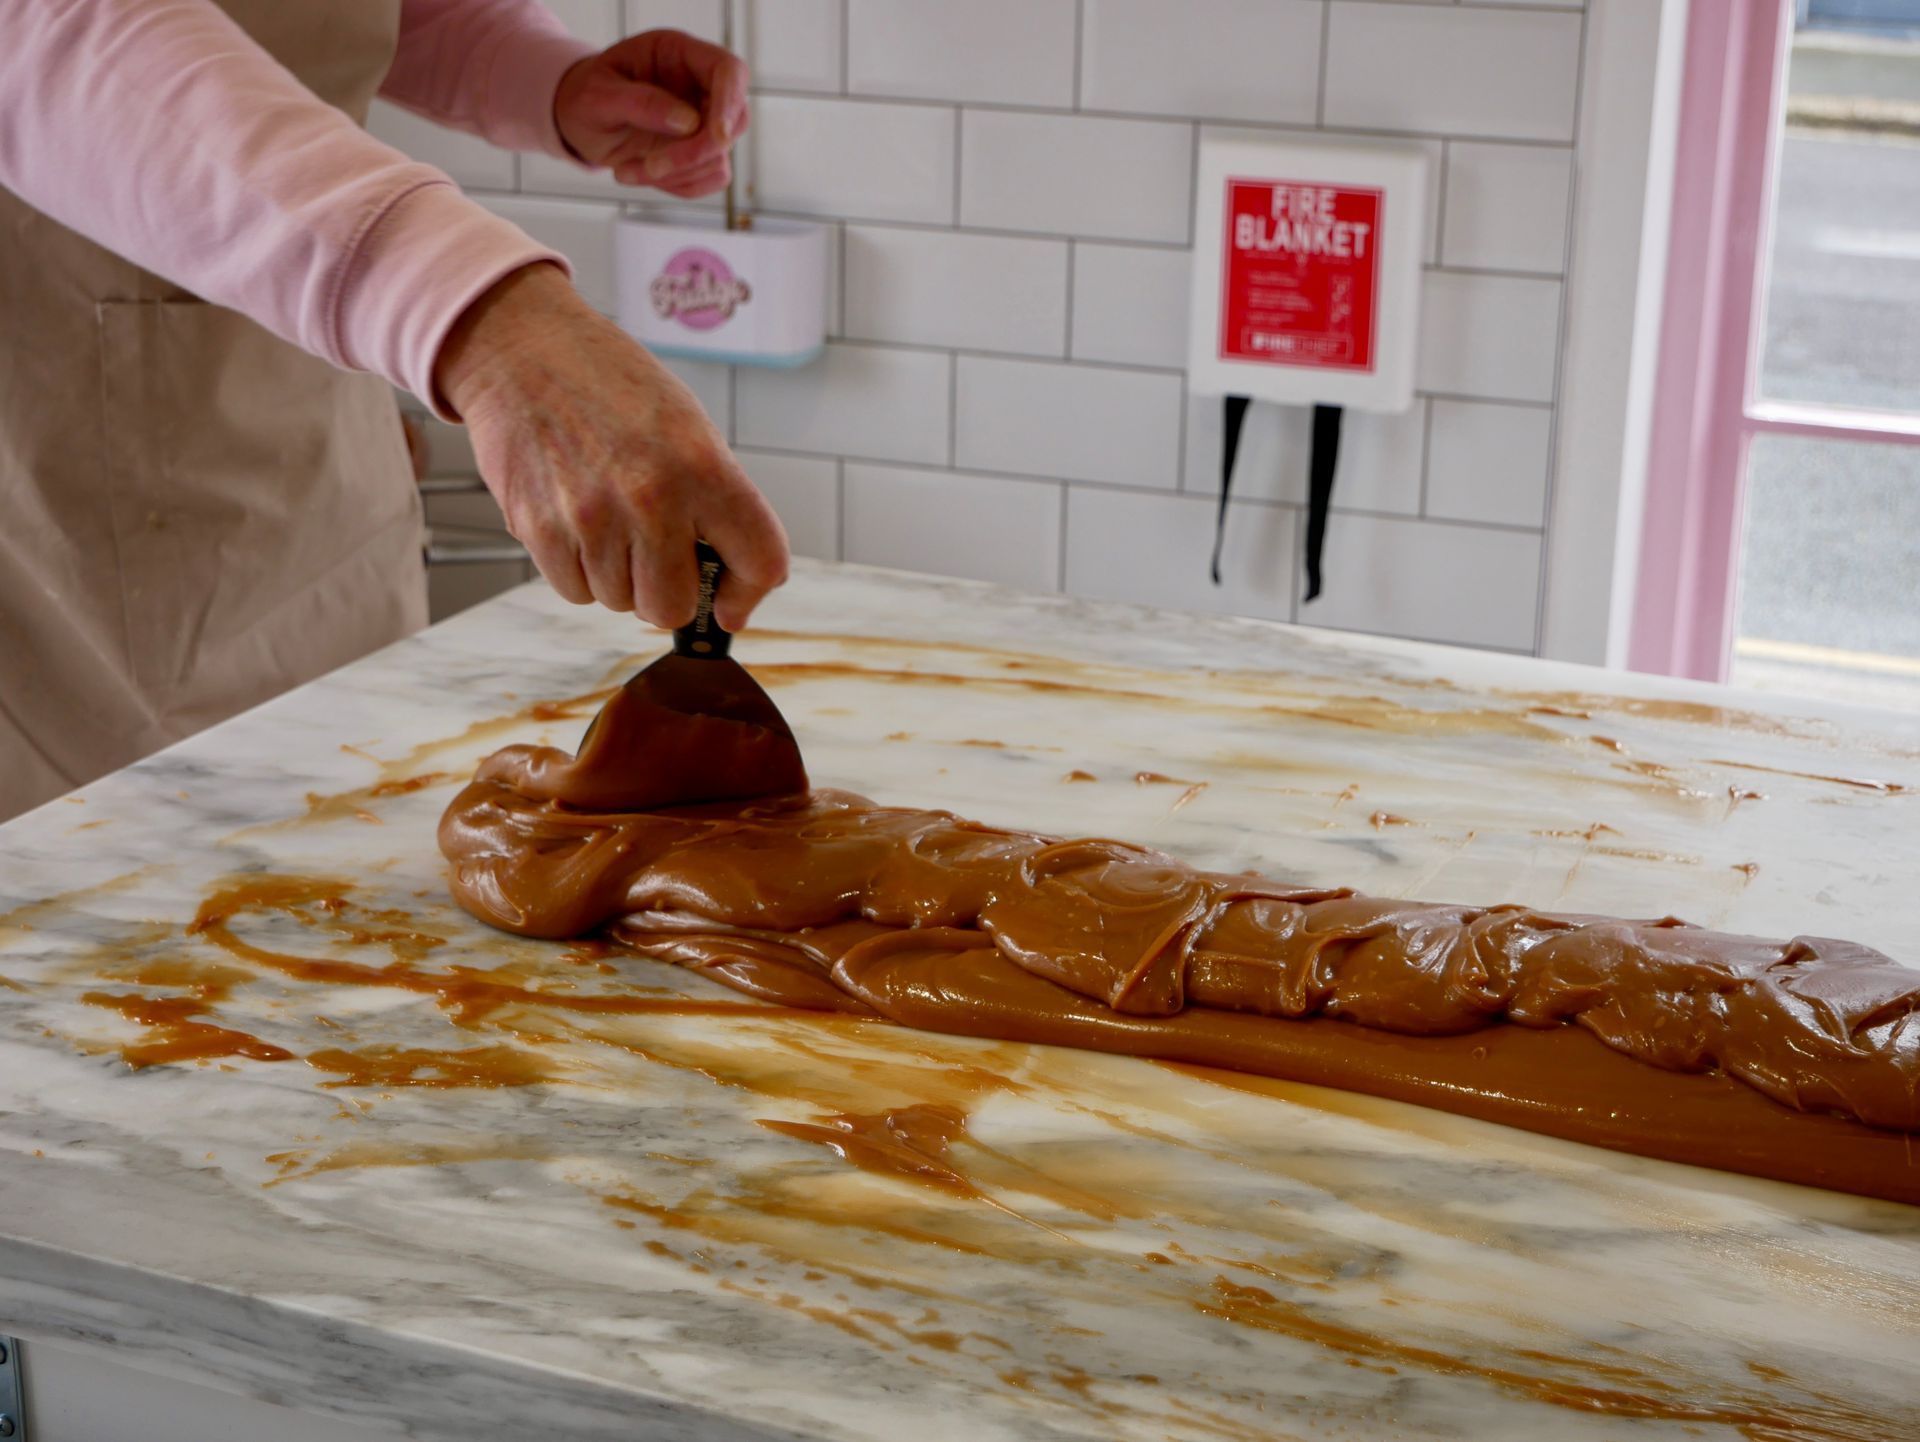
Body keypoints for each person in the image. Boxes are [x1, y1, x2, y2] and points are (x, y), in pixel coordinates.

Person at [0, 0, 790, 822]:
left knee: (350, 822)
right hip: (56, 475)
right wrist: (501, 334)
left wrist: (534, 76)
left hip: (312, 431)